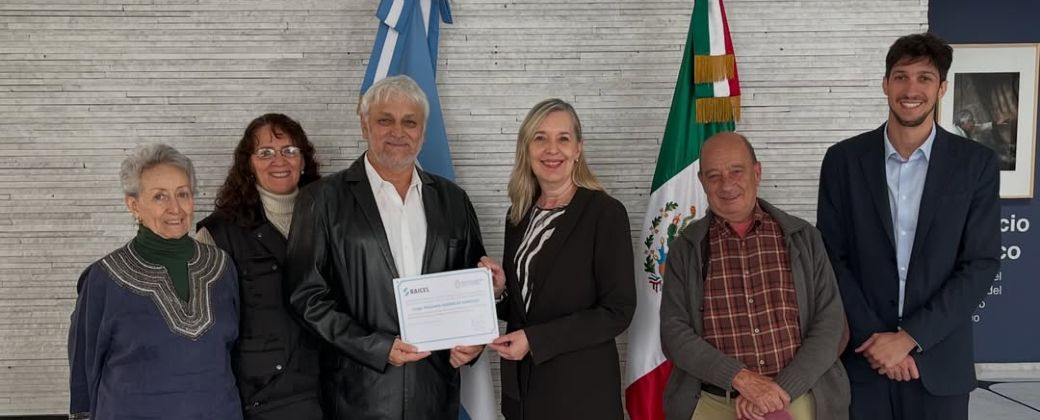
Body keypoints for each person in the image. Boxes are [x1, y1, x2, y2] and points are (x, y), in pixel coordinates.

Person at [284, 75, 495, 420]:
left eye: (409, 122)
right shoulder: (321, 200)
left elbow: (471, 283)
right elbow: (305, 296)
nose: (398, 132)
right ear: (365, 125)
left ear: (423, 132)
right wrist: (377, 348)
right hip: (358, 396)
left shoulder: (453, 201)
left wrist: (474, 341)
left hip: (436, 395)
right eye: (385, 120)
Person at [816, 33, 1000, 420]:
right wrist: (874, 340)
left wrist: (909, 339)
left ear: (942, 88)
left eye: (925, 78)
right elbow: (831, 258)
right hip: (862, 362)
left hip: (939, 363)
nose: (911, 88)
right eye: (901, 76)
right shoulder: (843, 161)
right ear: (885, 84)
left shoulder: (976, 164)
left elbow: (980, 263)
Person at [660, 132, 849, 420]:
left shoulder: (803, 237)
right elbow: (674, 334)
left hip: (798, 397)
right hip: (714, 403)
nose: (727, 184)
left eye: (736, 171)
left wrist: (776, 392)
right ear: (701, 181)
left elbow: (831, 324)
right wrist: (743, 380)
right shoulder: (685, 249)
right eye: (714, 176)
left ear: (757, 172)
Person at [486, 99, 636, 420]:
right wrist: (500, 291)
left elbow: (618, 312)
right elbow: (525, 306)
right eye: (540, 138)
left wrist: (535, 340)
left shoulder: (605, 213)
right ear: (526, 149)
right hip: (522, 394)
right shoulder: (518, 217)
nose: (551, 149)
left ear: (578, 149)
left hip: (580, 397)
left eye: (563, 138)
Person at [68, 143, 241, 419]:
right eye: (160, 197)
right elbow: (83, 366)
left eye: (183, 194)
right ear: (134, 204)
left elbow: (233, 354)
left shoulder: (221, 267)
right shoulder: (105, 277)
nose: (176, 208)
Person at [196, 113, 323, 419]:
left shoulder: (332, 217)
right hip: (263, 394)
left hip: (330, 386)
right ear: (248, 164)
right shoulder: (217, 233)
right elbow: (205, 330)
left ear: (303, 161)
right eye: (265, 153)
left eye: (289, 150)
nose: (279, 160)